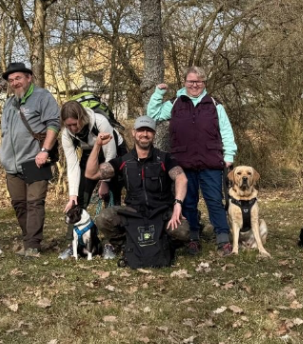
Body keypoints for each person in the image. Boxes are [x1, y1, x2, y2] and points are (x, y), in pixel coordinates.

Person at [146, 66, 237, 256]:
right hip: (184, 162)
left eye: (198, 81)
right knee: (188, 202)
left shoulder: (214, 104)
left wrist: (229, 155)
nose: (194, 85)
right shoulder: (175, 103)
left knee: (214, 200)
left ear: (204, 83)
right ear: (185, 82)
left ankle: (223, 238)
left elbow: (226, 131)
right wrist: (158, 93)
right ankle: (193, 238)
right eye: (191, 81)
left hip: (211, 161)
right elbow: (153, 115)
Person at [85, 116, 189, 262]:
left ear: (154, 134)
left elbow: (181, 178)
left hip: (161, 212)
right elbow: (91, 173)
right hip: (133, 213)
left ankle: (160, 241)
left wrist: (177, 205)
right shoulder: (123, 161)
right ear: (134, 133)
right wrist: (97, 146)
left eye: (149, 131)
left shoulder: (165, 158)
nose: (144, 134)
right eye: (141, 130)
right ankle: (128, 243)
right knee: (103, 218)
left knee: (184, 231)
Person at [0, 62, 60, 257]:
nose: (15, 83)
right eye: (11, 80)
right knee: (19, 204)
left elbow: (53, 125)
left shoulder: (42, 97)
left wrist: (44, 150)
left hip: (35, 160)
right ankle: (29, 239)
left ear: (29, 77)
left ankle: (32, 246)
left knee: (34, 202)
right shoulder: (9, 103)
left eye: (18, 78)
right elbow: (6, 133)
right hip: (11, 164)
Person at [58, 100, 126, 258]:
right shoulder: (67, 135)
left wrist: (105, 183)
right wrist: (72, 195)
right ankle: (73, 243)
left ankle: (111, 243)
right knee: (80, 199)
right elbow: (73, 165)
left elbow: (110, 155)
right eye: (69, 126)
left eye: (75, 124)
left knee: (112, 197)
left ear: (82, 117)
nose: (73, 128)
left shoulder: (100, 122)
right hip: (91, 153)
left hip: (113, 152)